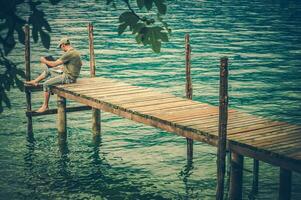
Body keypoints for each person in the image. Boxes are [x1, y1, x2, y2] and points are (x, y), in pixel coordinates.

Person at [25, 37, 82, 113]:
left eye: (60, 47)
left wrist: (44, 61)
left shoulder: (68, 53)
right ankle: (35, 81)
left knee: (46, 84)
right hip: (71, 75)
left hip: (68, 78)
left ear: (63, 45)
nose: (61, 49)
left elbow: (53, 64)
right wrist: (63, 68)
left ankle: (45, 106)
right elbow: (78, 64)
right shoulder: (75, 52)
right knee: (49, 71)